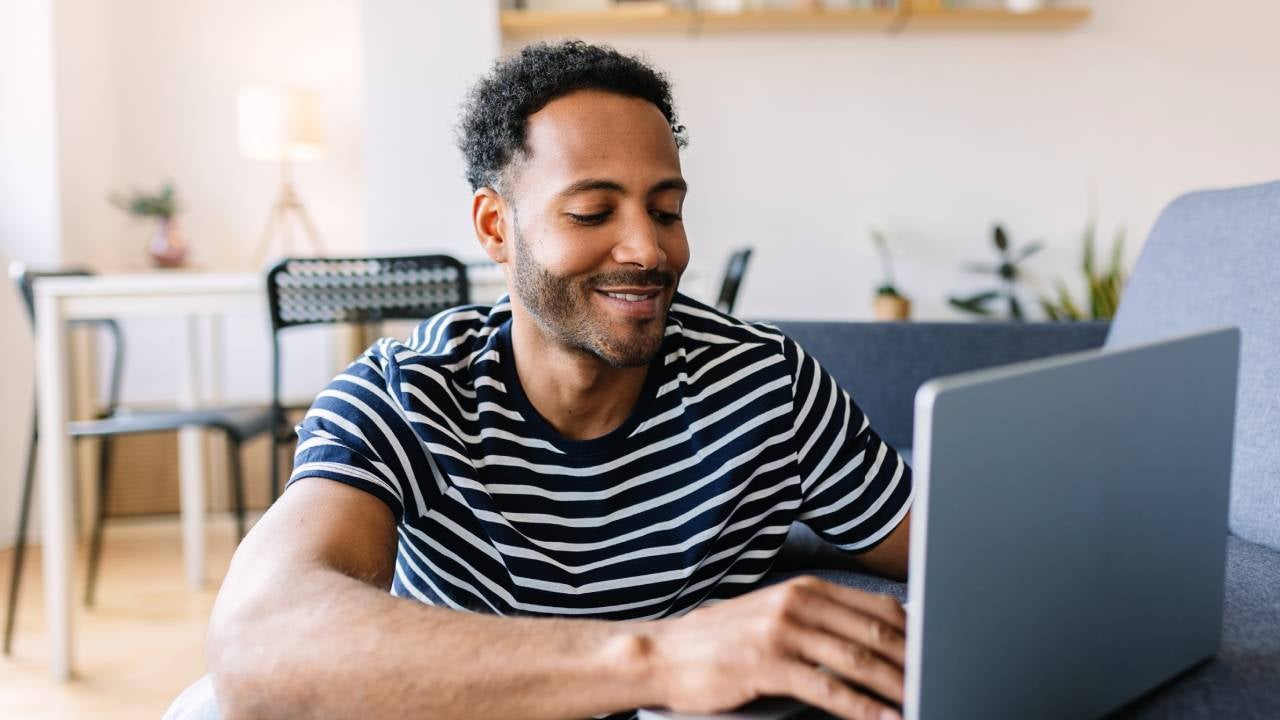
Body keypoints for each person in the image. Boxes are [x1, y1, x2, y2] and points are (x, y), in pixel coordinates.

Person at [206, 40, 913, 720]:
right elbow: (256, 648)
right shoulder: (406, 397)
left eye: (667, 210)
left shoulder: (767, 386)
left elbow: (951, 549)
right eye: (591, 212)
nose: (647, 248)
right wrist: (659, 658)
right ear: (495, 227)